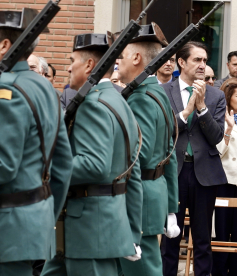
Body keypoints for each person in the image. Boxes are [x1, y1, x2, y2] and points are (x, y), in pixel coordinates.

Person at [41, 33, 143, 276]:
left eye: (72, 60)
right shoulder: (118, 101)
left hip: (88, 229)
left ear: (89, 65)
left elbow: (94, 165)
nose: (67, 67)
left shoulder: (93, 104)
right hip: (94, 226)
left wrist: (43, 168)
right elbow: (134, 170)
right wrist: (133, 230)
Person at [0, 8, 73, 276]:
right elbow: (63, 165)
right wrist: (44, 214)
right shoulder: (44, 87)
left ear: (5, 45)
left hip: (7, 225)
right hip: (32, 219)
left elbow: (3, 165)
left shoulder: (6, 88)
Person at [116, 23, 180, 276]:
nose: (116, 63)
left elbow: (137, 158)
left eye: (120, 56)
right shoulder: (156, 91)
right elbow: (169, 154)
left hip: (139, 196)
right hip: (153, 192)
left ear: (136, 58)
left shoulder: (141, 97)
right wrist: (172, 205)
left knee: (142, 271)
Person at [161, 41, 227, 276]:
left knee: (202, 240)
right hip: (173, 172)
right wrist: (186, 112)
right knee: (170, 238)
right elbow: (163, 130)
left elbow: (217, 136)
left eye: (205, 60)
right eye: (197, 60)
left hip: (204, 174)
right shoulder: (163, 92)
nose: (202, 65)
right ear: (181, 62)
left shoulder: (216, 95)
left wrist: (202, 109)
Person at [212, 78, 237, 276]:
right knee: (221, 233)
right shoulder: (217, 118)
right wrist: (228, 130)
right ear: (228, 97)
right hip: (224, 182)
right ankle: (218, 271)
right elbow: (217, 152)